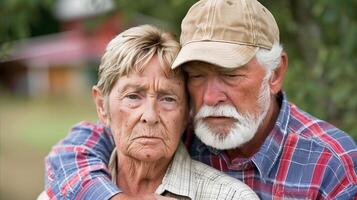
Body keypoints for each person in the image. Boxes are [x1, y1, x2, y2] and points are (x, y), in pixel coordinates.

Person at [44, 0, 357, 199]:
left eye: (231, 75)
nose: (210, 97)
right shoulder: (174, 125)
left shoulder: (333, 163)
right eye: (196, 76)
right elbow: (72, 152)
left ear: (274, 74)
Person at [42, 24, 258, 199]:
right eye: (133, 97)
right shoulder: (65, 191)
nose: (150, 116)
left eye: (168, 99)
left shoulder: (230, 197)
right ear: (102, 106)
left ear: (187, 115)